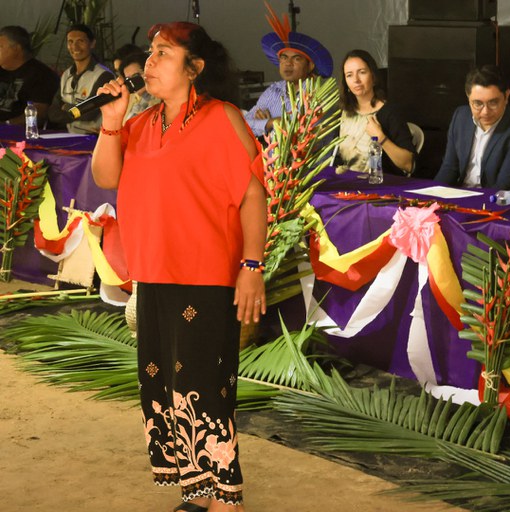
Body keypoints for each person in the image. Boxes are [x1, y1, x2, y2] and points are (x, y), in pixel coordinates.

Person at [91, 21, 267, 512]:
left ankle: (226, 498)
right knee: (165, 386)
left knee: (202, 389)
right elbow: (106, 176)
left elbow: (253, 194)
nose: (149, 62)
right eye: (149, 53)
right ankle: (200, 490)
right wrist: (111, 119)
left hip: (207, 275)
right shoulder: (142, 124)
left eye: (163, 53)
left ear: (195, 67)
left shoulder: (222, 117)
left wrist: (252, 265)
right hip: (153, 273)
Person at [434, 65, 510, 189]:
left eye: (493, 103)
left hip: (494, 201)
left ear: (506, 97)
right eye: (478, 103)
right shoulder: (461, 117)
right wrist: (433, 195)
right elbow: (449, 168)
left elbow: (507, 185)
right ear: (468, 97)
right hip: (459, 195)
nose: (485, 112)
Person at [243, 5, 332, 138]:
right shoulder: (273, 91)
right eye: (284, 58)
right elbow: (243, 126)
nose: (288, 64)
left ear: (311, 65)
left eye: (296, 59)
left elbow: (304, 136)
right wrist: (270, 123)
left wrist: (267, 124)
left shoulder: (318, 94)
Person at [337, 49, 415, 176]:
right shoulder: (343, 113)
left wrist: (381, 138)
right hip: (346, 187)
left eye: (362, 72)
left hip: (380, 188)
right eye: (349, 75)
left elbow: (409, 164)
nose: (356, 80)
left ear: (373, 77)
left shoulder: (390, 112)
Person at [48, 24, 113, 133]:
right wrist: (77, 110)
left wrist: (66, 107)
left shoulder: (103, 75)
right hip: (67, 134)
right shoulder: (66, 75)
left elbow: (89, 114)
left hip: (92, 137)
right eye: (70, 42)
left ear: (92, 44)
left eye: (80, 41)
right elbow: (52, 113)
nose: (75, 47)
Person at [0, 25, 58, 125]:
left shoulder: (41, 74)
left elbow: (38, 113)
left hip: (16, 133)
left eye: (0, 47)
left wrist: (6, 125)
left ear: (16, 49)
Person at [118, 51, 159, 124]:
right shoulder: (130, 98)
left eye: (135, 76)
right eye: (128, 79)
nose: (132, 82)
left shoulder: (161, 99)